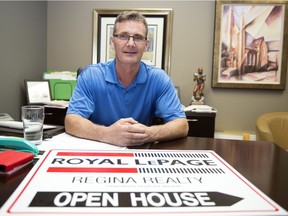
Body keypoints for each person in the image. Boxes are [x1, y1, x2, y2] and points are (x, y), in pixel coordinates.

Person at [65, 11, 188, 147]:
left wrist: (147, 134)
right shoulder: (90, 76)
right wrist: (106, 134)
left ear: (146, 44)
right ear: (113, 42)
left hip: (139, 153)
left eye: (138, 37)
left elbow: (181, 125)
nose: (130, 43)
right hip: (97, 152)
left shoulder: (159, 78)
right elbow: (71, 120)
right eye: (123, 36)